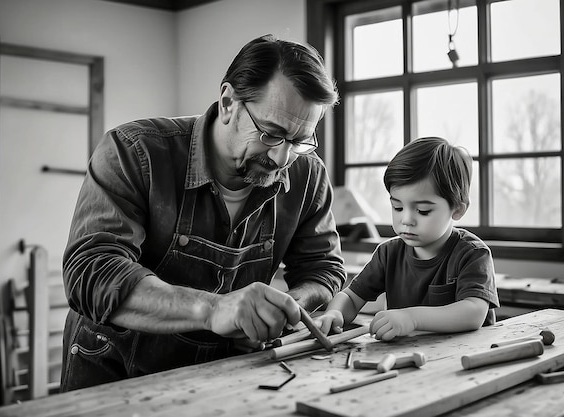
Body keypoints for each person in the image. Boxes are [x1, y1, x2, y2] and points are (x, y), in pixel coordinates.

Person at [60, 34, 346, 391]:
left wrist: (287, 310)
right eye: (271, 134)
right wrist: (213, 309)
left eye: (299, 140)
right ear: (228, 102)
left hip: (221, 378)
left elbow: (324, 268)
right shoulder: (134, 151)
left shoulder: (307, 174)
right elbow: (93, 272)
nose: (281, 159)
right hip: (114, 373)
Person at [316, 137, 499, 340]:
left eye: (422, 210)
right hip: (406, 360)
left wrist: (412, 318)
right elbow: (351, 297)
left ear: (457, 210)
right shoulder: (388, 254)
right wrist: (335, 313)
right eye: (398, 207)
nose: (407, 220)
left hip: (464, 360)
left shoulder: (472, 254)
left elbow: (473, 313)